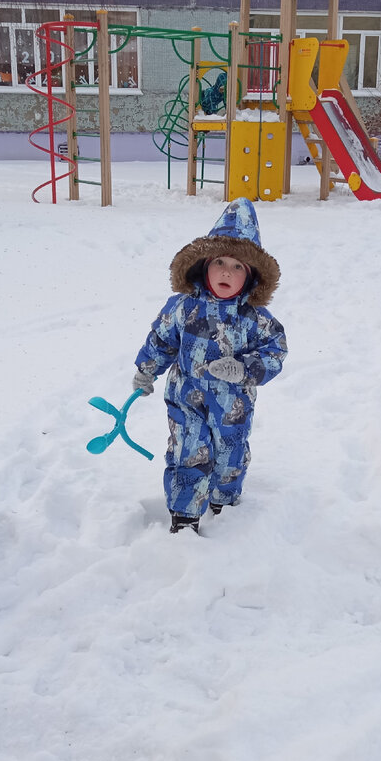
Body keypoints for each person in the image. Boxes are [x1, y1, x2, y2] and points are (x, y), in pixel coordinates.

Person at [132, 198, 288, 534]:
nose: (226, 272)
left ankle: (223, 502)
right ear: (203, 265)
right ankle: (184, 514)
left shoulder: (256, 319)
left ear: (250, 277)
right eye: (219, 262)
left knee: (229, 454)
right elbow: (161, 339)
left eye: (237, 267)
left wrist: (244, 368)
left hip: (233, 405)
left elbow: (275, 352)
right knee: (187, 452)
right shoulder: (183, 307)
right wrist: (147, 369)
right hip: (186, 397)